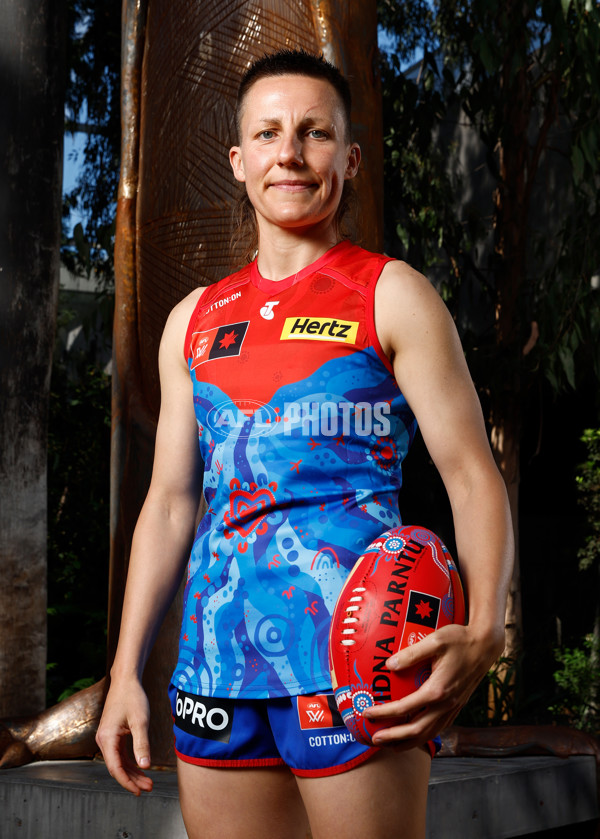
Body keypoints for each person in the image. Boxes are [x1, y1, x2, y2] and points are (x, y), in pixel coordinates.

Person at [96, 49, 513, 839]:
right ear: (239, 160)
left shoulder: (391, 293)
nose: (289, 152)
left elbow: (470, 472)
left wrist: (488, 625)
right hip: (216, 671)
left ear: (349, 159)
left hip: (361, 667)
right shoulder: (194, 319)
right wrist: (125, 672)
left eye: (314, 133)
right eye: (268, 133)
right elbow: (172, 501)